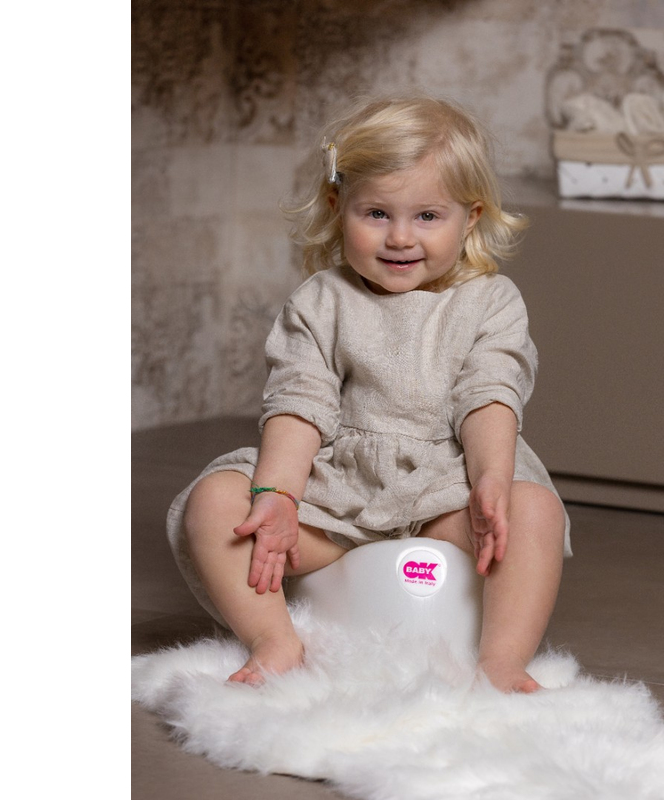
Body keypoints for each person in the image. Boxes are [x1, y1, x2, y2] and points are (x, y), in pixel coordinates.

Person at [168, 95, 572, 694]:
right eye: (377, 213)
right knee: (216, 503)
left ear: (470, 217)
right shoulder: (321, 301)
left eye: (427, 216)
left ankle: (502, 661)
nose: (400, 237)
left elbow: (489, 396)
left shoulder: (491, 302)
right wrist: (278, 495)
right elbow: (299, 404)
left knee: (534, 510)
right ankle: (274, 638)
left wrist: (490, 481)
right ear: (338, 208)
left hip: (445, 491)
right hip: (338, 491)